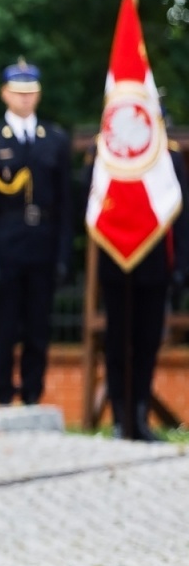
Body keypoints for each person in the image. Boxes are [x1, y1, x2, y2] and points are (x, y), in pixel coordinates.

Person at [0, 59, 74, 405]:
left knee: (38, 328)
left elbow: (65, 206)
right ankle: (1, 393)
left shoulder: (55, 139)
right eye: (17, 93)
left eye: (30, 93)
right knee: (4, 327)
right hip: (5, 246)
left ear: (38, 95)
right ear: (5, 94)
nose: (24, 99)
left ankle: (31, 394)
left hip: (41, 246)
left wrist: (61, 256)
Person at [85, 135, 189, 439]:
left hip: (156, 263)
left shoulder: (168, 154)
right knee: (117, 342)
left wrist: (182, 265)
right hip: (116, 261)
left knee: (147, 343)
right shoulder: (104, 150)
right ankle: (121, 416)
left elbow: (180, 214)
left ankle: (140, 415)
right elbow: (90, 202)